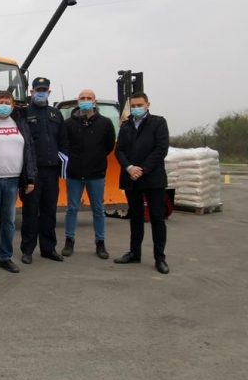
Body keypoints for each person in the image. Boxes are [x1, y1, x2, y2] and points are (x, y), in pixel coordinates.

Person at [0, 91, 36, 275]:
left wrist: (30, 177)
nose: (3, 105)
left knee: (8, 222)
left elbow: (29, 149)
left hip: (13, 180)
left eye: (7, 102)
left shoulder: (20, 123)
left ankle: (5, 258)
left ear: (13, 105)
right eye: (0, 102)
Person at [114, 92, 170, 274]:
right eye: (133, 106)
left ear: (147, 105)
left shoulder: (158, 123)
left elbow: (161, 149)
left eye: (140, 105)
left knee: (157, 218)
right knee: (136, 216)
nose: (136, 108)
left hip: (153, 179)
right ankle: (134, 253)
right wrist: (129, 168)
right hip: (131, 178)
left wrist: (143, 169)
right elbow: (119, 150)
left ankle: (160, 258)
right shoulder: (126, 126)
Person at [61, 89, 116, 259]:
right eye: (82, 98)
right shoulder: (68, 124)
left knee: (98, 210)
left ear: (94, 101)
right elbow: (64, 145)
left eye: (88, 98)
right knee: (72, 209)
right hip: (74, 174)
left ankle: (100, 243)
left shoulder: (105, 123)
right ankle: (69, 241)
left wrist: (96, 158)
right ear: (78, 101)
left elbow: (109, 146)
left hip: (96, 174)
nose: (85, 100)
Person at [19, 77, 69, 264]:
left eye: (44, 90)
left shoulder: (56, 114)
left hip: (51, 171)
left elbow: (63, 141)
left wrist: (62, 164)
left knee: (49, 211)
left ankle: (48, 249)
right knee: (30, 212)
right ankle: (27, 250)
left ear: (49, 92)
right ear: (31, 92)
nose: (41, 93)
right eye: (37, 90)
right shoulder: (23, 113)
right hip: (32, 172)